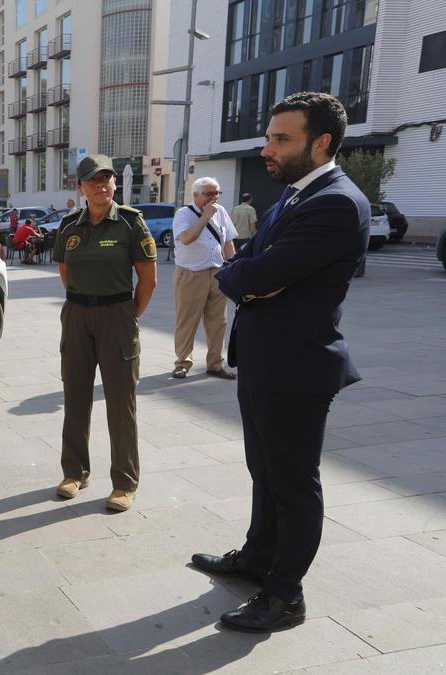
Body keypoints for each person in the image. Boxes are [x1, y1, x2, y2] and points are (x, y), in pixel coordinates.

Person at [195, 92, 369, 632]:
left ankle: (285, 594)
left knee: (293, 484)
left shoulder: (335, 201)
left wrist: (247, 279)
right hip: (266, 362)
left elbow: (253, 274)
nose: (266, 147)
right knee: (264, 472)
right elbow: (244, 263)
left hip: (297, 368)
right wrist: (247, 279)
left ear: (321, 143)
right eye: (269, 136)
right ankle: (257, 557)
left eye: (281, 139)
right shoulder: (295, 196)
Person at [53, 154, 157, 512]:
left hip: (117, 315)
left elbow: (148, 278)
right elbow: (65, 273)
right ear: (80, 187)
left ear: (115, 184)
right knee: (75, 396)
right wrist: (85, 303)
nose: (101, 185)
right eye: (93, 180)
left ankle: (124, 482)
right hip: (78, 314)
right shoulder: (68, 226)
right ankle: (74, 472)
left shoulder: (131, 224)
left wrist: (127, 314)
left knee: (120, 402)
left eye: (106, 179)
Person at [170, 177, 238, 380]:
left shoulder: (222, 212)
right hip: (190, 273)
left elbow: (228, 242)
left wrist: (233, 266)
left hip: (217, 273)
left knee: (219, 322)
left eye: (217, 193)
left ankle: (216, 364)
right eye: (209, 194)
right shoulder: (183, 214)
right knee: (187, 321)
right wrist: (205, 217)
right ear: (196, 195)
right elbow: (187, 239)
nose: (214, 197)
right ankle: (183, 363)